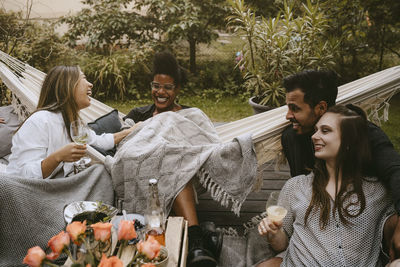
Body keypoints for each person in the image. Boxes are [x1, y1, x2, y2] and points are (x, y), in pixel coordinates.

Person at [281, 69, 400, 259]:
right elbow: (300, 197)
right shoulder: (292, 137)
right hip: (318, 227)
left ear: (320, 108)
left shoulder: (366, 135)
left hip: (361, 220)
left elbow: (396, 170)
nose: (287, 116)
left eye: (295, 108)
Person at [258, 105, 397, 266]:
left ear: (349, 141)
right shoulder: (296, 187)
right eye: (316, 130)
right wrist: (274, 233)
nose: (314, 136)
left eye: (325, 131)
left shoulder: (379, 192)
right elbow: (282, 244)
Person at [124, 51, 221, 267]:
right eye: (156, 86)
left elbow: (207, 143)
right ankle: (198, 241)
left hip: (182, 172)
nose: (160, 92)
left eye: (167, 87)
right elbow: (125, 145)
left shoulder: (191, 115)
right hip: (144, 173)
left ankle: (195, 240)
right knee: (170, 167)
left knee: (175, 168)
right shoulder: (138, 115)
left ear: (177, 89)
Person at [6, 65, 138, 179]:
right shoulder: (40, 121)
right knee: (101, 173)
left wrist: (132, 130)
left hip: (61, 186)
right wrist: (57, 157)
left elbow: (100, 141)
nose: (90, 84)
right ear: (67, 86)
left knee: (101, 172)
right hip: (30, 191)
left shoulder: (73, 124)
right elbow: (22, 175)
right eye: (84, 78)